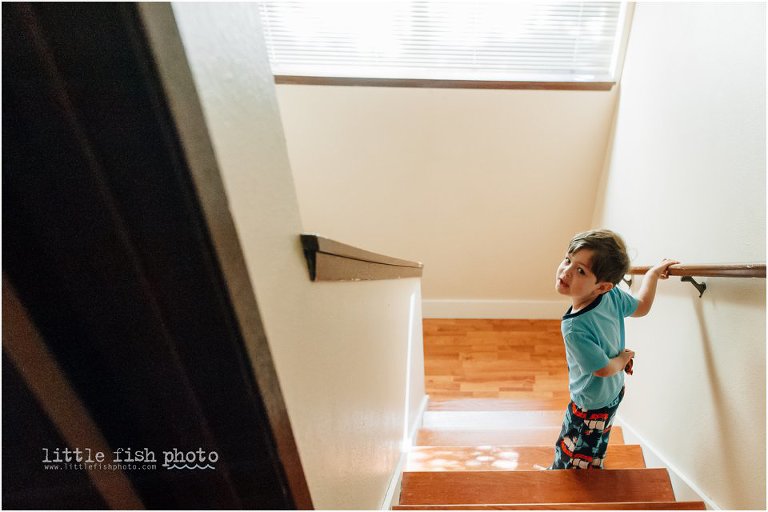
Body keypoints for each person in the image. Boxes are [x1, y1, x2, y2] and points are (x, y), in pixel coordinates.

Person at [549, 229, 678, 470]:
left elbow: (602, 369)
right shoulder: (612, 295)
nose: (566, 271)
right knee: (598, 437)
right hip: (613, 392)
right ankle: (594, 464)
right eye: (568, 260)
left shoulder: (574, 327)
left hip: (589, 401)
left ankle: (566, 474)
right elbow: (641, 307)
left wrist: (622, 358)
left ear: (602, 287)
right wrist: (651, 275)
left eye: (580, 270)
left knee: (575, 446)